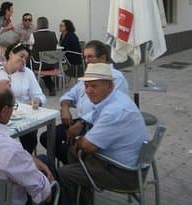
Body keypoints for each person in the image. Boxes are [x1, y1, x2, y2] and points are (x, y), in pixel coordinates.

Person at [58, 63, 148, 205]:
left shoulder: (114, 112)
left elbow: (89, 146)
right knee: (73, 151)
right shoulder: (117, 97)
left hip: (125, 174)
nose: (88, 91)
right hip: (133, 165)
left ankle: (80, 195)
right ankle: (82, 196)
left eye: (94, 86)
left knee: (64, 172)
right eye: (86, 86)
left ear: (110, 86)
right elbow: (95, 113)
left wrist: (80, 139)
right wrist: (80, 126)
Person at [39, 39, 129, 164]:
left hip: (99, 124)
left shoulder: (115, 78)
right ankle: (74, 164)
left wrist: (81, 123)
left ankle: (79, 167)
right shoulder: (89, 74)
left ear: (103, 58)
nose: (86, 60)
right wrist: (65, 108)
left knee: (72, 145)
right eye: (84, 56)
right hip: (81, 123)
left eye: (90, 56)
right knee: (47, 137)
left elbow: (106, 108)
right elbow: (69, 95)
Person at [0, 43, 46, 153]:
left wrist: (37, 100)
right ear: (11, 54)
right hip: (1, 115)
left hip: (23, 116)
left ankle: (26, 158)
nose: (24, 60)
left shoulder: (27, 73)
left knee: (29, 137)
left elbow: (40, 96)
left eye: (26, 58)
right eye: (21, 56)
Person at [29, 16, 58, 96]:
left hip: (39, 64)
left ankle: (30, 86)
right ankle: (52, 87)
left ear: (38, 25)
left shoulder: (34, 35)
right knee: (45, 66)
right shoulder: (54, 34)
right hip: (52, 64)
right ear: (47, 24)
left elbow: (31, 48)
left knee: (29, 60)